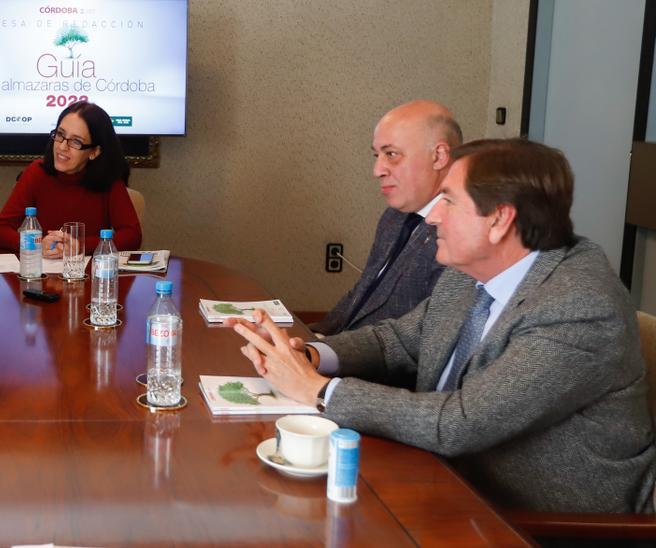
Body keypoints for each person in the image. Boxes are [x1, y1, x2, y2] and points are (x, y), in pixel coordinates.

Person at [234, 138, 656, 513]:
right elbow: (396, 341)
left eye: (449, 201)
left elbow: (460, 422)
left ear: (499, 220)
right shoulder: (468, 272)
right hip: (445, 479)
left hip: (543, 520)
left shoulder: (578, 305)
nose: (433, 217)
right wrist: (309, 355)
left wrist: (318, 390)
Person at [311, 100, 460, 336]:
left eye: (392, 154)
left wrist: (322, 353)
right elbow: (363, 293)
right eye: (376, 155)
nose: (377, 169)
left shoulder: (459, 236)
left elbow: (417, 343)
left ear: (439, 156)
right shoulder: (394, 217)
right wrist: (306, 339)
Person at [0, 101, 142, 256]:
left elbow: (132, 236)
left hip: (90, 274)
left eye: (76, 141)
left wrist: (80, 245)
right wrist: (35, 244)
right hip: (44, 272)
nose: (62, 147)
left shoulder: (108, 178)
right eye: (60, 134)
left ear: (94, 151)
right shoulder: (37, 172)